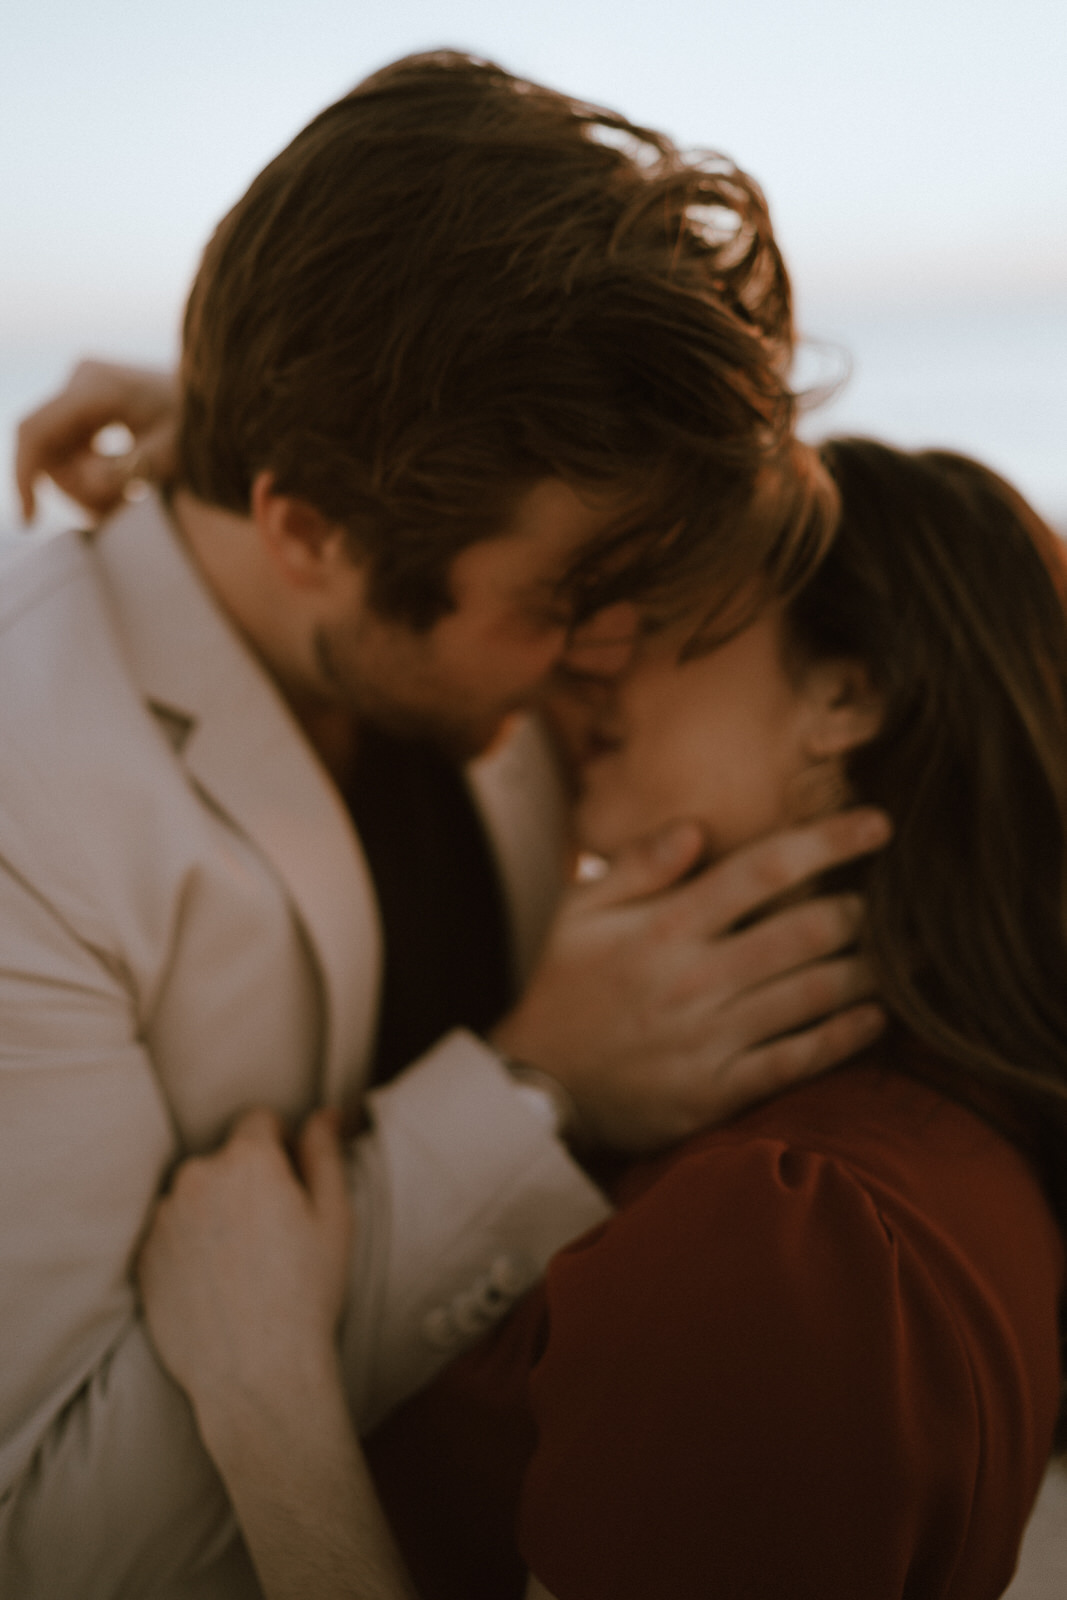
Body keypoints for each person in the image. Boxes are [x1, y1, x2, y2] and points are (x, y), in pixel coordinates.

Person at [1, 52, 888, 1599]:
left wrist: (223, 406)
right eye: (561, 605)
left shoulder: (448, 546)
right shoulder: (32, 803)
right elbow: (62, 1533)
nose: (618, 656)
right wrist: (534, 1092)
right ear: (306, 535)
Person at [133, 439, 1067, 1600]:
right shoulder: (909, 1128)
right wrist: (280, 460)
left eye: (659, 601)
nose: (588, 651)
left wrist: (265, 1403)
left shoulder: (792, 1227)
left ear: (843, 696)